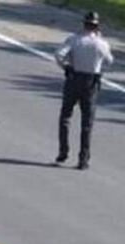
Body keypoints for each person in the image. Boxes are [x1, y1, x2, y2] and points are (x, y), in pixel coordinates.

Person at [55, 11, 114, 170]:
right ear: (97, 26)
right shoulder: (101, 44)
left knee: (65, 117)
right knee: (87, 123)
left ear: (84, 24)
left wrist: (66, 66)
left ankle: (63, 151)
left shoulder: (74, 39)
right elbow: (109, 61)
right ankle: (83, 159)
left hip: (74, 79)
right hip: (91, 82)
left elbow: (59, 55)